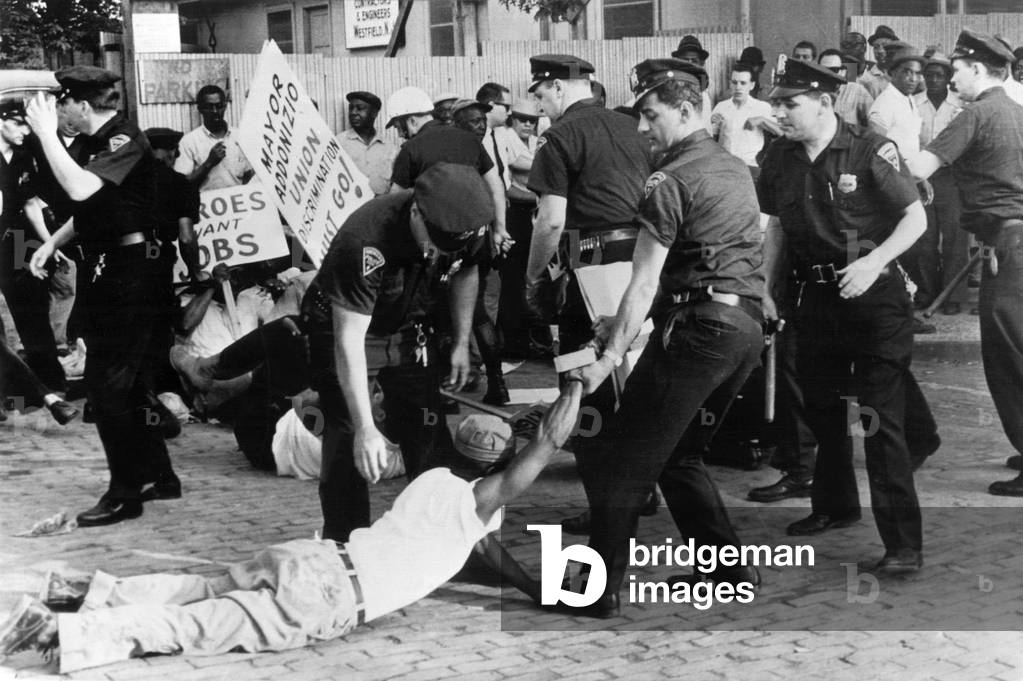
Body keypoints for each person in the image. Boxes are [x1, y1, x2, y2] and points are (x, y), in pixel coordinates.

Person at [0, 383, 584, 674]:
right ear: (495, 468)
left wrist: (534, 590)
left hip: (316, 556)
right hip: (329, 597)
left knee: (202, 590)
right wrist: (580, 382)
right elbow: (546, 445)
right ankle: (51, 638)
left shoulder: (433, 483)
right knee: (195, 625)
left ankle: (79, 591)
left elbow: (486, 554)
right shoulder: (481, 504)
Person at [568, 58, 766, 618]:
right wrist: (629, 323)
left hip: (697, 331)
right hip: (742, 329)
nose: (642, 128)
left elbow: (645, 277)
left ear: (686, 109)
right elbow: (718, 259)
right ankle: (728, 572)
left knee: (621, 458)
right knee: (679, 454)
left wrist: (609, 355)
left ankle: (592, 589)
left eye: (651, 115)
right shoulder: (732, 167)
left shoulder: (669, 179)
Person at [758, 59, 928, 573]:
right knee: (822, 411)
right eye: (777, 104)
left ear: (825, 103)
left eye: (790, 104)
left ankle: (903, 546)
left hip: (875, 302)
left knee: (879, 422)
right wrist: (765, 289)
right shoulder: (780, 158)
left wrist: (874, 262)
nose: (780, 113)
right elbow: (778, 230)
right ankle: (835, 506)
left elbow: (914, 217)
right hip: (815, 301)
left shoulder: (870, 149)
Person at [25, 66, 179, 525]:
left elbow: (79, 187)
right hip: (114, 269)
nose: (58, 112)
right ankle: (159, 476)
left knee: (106, 384)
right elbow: (93, 206)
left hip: (135, 271)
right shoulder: (99, 143)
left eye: (62, 103)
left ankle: (123, 493)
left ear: (83, 105)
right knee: (126, 383)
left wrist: (44, 134)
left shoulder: (123, 138)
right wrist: (53, 242)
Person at [524, 53, 652, 536]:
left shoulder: (559, 137)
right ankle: (645, 487)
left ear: (556, 88)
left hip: (591, 268)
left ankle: (606, 504)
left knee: (583, 386)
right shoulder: (631, 127)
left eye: (540, 95)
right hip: (639, 265)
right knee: (634, 378)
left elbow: (551, 220)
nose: (541, 106)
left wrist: (535, 277)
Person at [904, 30, 1023, 496]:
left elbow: (917, 169)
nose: (951, 79)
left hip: (1008, 245)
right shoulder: (1016, 113)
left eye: (956, 71)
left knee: (1008, 355)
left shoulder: (976, 114)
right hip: (1016, 241)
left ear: (978, 70)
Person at [0, 101, 68, 400]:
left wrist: (51, 244)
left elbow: (30, 204)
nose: (26, 131)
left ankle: (46, 383)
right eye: (19, 124)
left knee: (30, 304)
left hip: (15, 240)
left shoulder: (24, 156)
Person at [868, 42, 939, 318]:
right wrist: (909, 178)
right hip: (891, 183)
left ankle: (907, 309)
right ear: (892, 73)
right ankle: (901, 311)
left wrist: (920, 177)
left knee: (913, 245)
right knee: (901, 246)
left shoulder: (908, 100)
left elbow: (911, 146)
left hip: (908, 179)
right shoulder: (884, 103)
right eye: (907, 72)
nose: (914, 78)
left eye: (917, 73)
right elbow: (878, 148)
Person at [916, 53, 966, 316]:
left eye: (940, 75)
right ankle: (928, 291)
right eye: (929, 75)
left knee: (955, 237)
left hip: (951, 177)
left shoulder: (959, 106)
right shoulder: (915, 103)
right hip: (922, 177)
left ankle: (953, 294)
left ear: (948, 78)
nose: (934, 80)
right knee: (925, 236)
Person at [500, 99, 542, 358]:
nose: (527, 123)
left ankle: (532, 339)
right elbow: (508, 187)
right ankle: (514, 343)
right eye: (521, 118)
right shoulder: (505, 138)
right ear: (512, 119)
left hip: (538, 215)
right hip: (516, 214)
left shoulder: (537, 141)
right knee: (513, 281)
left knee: (536, 278)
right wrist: (542, 198)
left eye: (532, 120)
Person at [174, 84, 253, 190]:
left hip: (237, 204)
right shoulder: (189, 142)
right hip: (206, 205)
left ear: (225, 106)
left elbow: (250, 177)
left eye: (219, 106)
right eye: (209, 107)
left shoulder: (240, 137)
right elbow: (182, 185)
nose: (215, 111)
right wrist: (209, 163)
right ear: (200, 109)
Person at [709, 62, 778, 178]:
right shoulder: (721, 107)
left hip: (750, 168)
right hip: (724, 168)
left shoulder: (762, 107)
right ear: (730, 83)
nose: (738, 87)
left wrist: (762, 120)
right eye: (734, 83)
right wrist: (710, 123)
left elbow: (782, 133)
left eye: (743, 83)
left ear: (752, 85)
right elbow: (710, 139)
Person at [337, 91, 395, 197]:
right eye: (351, 108)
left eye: (359, 108)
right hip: (351, 209)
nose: (353, 112)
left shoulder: (390, 147)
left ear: (374, 113)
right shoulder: (339, 143)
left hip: (381, 208)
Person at [819, 48, 874, 127]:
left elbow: (874, 123)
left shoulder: (857, 91)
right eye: (824, 70)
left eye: (834, 70)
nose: (828, 74)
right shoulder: (812, 94)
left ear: (843, 72)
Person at [860, 25, 899, 98]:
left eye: (885, 46)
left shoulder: (900, 76)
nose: (880, 51)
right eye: (876, 47)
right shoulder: (866, 79)